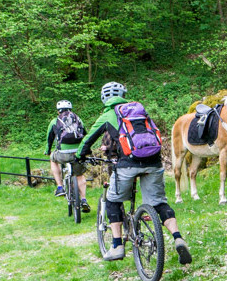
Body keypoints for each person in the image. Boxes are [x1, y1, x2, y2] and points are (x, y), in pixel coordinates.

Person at [76, 82, 192, 264]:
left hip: (128, 164)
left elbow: (87, 140)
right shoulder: (139, 110)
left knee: (113, 200)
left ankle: (117, 245)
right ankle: (178, 237)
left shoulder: (108, 114)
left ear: (103, 98)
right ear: (123, 95)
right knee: (159, 203)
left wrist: (79, 156)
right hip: (153, 162)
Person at [45, 100, 91, 213]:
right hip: (78, 154)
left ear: (58, 110)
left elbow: (49, 139)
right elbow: (85, 135)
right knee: (80, 175)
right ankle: (84, 199)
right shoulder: (78, 119)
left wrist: (48, 151)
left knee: (53, 159)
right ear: (70, 109)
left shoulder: (55, 121)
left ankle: (60, 186)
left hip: (63, 154)